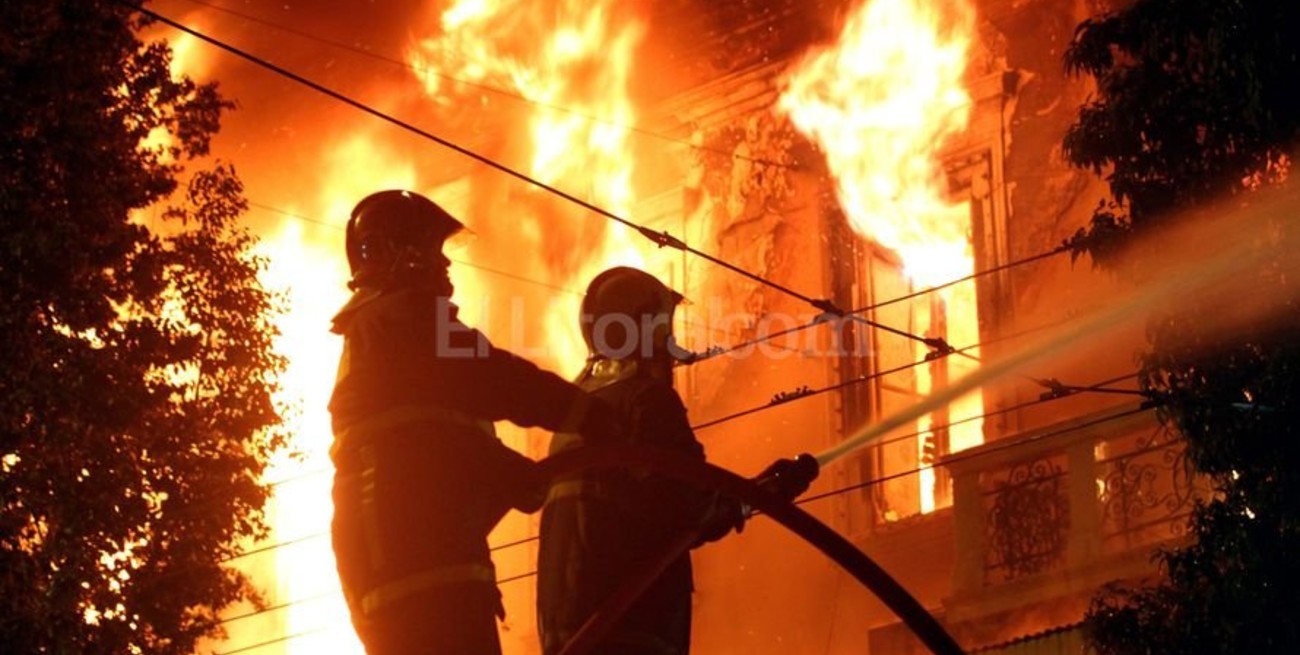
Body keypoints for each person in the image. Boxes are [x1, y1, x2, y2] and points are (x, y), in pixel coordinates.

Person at [328, 190, 616, 655]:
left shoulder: (380, 337)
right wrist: (586, 413)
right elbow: (491, 376)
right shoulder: (401, 318)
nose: (444, 266)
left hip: (406, 567)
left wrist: (505, 472)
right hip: (422, 571)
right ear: (386, 252)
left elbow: (430, 442)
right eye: (429, 250)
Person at [537, 267, 818, 655]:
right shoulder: (647, 401)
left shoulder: (575, 410)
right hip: (634, 627)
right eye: (664, 328)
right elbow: (690, 509)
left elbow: (664, 500)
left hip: (570, 630)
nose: (671, 344)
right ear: (646, 329)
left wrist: (752, 492)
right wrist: (766, 494)